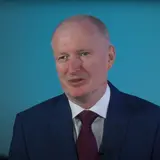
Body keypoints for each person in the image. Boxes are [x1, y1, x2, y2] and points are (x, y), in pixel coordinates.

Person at [9, 15, 160, 160]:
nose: (73, 68)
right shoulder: (28, 125)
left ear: (109, 57)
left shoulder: (154, 122)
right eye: (63, 57)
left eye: (84, 54)